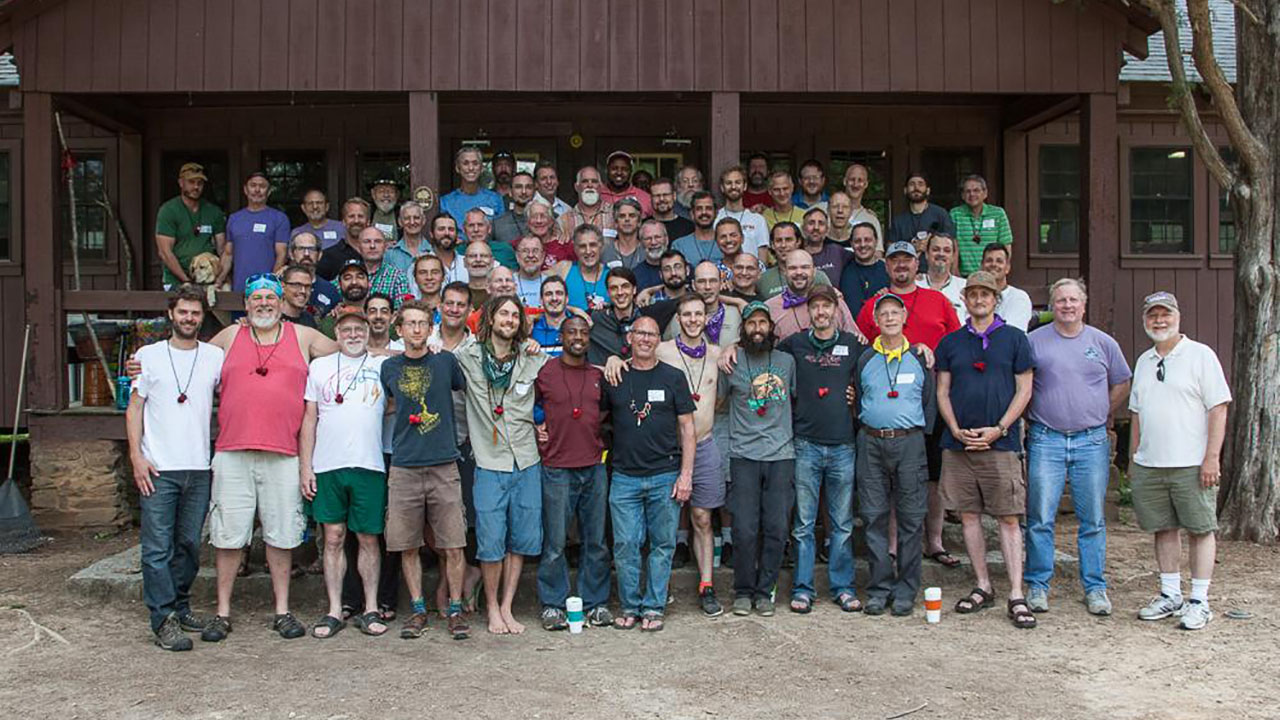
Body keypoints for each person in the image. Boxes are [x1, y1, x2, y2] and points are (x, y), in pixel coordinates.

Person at [148, 273, 338, 642]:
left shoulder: (302, 336)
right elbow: (186, 360)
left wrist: (395, 353)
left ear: (281, 302)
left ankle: (282, 611)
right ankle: (222, 612)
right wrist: (142, 365)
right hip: (232, 452)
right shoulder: (229, 337)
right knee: (228, 535)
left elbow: (350, 352)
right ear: (246, 305)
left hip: (283, 452)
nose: (264, 303)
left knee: (281, 535)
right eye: (257, 298)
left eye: (270, 297)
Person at [1024, 278, 1131, 617]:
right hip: (1046, 439)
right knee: (1040, 517)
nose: (1067, 305)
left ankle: (1095, 587)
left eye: (1073, 300)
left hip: (1091, 441)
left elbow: (1122, 382)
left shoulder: (1103, 343)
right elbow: (1022, 385)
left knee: (1093, 519)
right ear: (1051, 306)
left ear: (1083, 305)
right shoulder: (1033, 342)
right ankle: (1038, 585)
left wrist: (1101, 411)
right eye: (1061, 300)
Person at [935, 270, 1036, 629]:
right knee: (969, 515)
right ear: (964, 299)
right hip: (959, 443)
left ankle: (1016, 593)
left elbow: (1024, 389)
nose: (979, 300)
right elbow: (942, 390)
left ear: (996, 300)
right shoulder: (950, 342)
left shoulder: (1015, 339)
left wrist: (1000, 428)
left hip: (1001, 443)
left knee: (1008, 517)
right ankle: (983, 585)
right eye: (973, 294)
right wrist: (954, 429)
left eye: (986, 294)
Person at [127, 285, 226, 650]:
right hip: (159, 466)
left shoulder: (214, 356)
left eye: (195, 313)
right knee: (157, 547)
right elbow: (134, 408)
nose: (189, 318)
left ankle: (181, 606)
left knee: (188, 545)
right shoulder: (148, 356)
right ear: (171, 314)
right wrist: (137, 456)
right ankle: (163, 618)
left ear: (202, 317)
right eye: (183, 312)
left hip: (198, 466)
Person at [1129, 291, 1230, 631]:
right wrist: (1134, 458)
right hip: (1151, 464)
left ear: (1178, 317)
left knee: (1200, 529)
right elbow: (1137, 413)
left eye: (1165, 314)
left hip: (1191, 463)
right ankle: (1170, 594)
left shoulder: (1201, 355)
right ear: (1145, 320)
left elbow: (1218, 408)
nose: (1159, 321)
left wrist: (1211, 458)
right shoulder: (1144, 361)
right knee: (1163, 528)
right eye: (1152, 315)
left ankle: (1199, 601)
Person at [379, 300, 473, 640]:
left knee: (454, 544)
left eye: (422, 323)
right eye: (410, 323)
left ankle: (455, 609)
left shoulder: (446, 361)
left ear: (430, 328)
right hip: (405, 465)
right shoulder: (389, 368)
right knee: (407, 545)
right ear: (399, 329)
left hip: (444, 464)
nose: (417, 329)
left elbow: (465, 389)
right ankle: (418, 609)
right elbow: (389, 403)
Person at [455, 295, 549, 634]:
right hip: (489, 461)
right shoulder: (467, 356)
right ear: (491, 319)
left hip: (526, 460)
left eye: (515, 315)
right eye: (503, 314)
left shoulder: (532, 357)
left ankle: (508, 606)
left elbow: (559, 385)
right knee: (491, 541)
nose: (509, 320)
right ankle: (491, 607)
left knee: (521, 539)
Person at [299, 306, 390, 639]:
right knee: (333, 537)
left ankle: (371, 607)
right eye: (346, 330)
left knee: (368, 537)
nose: (353, 335)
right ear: (336, 334)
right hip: (327, 464)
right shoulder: (319, 366)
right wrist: (305, 467)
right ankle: (334, 609)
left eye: (359, 329)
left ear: (368, 332)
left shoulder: (382, 365)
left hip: (369, 463)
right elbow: (309, 419)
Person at [600, 316, 696, 631]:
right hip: (624, 476)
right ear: (629, 338)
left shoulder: (673, 377)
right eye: (639, 333)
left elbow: (688, 428)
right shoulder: (615, 376)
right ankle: (630, 607)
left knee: (663, 544)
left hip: (665, 475)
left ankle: (654, 607)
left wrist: (685, 475)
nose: (645, 339)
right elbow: (597, 418)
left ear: (658, 340)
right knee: (626, 544)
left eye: (651, 334)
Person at [777, 285, 860, 614]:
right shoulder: (794, 344)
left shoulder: (853, 345)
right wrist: (730, 350)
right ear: (808, 311)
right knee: (804, 524)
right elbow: (761, 354)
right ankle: (802, 588)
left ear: (836, 311)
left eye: (827, 306)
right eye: (815, 307)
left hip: (843, 445)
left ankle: (843, 587)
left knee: (842, 523)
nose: (821, 312)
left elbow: (874, 373)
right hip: (806, 444)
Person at [854, 293, 935, 616]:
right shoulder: (864, 359)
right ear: (875, 321)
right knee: (873, 516)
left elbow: (928, 399)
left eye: (894, 312)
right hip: (871, 442)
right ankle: (879, 588)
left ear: (904, 317)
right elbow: (857, 398)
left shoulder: (920, 357)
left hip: (909, 442)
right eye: (883, 313)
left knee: (911, 518)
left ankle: (906, 590)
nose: (889, 318)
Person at [533, 316, 614, 630]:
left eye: (583, 332)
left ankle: (595, 603)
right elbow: (526, 404)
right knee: (555, 542)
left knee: (596, 541)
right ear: (561, 336)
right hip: (556, 467)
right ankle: (553, 605)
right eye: (571, 332)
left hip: (593, 465)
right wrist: (537, 424)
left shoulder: (598, 375)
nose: (578, 337)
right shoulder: (545, 372)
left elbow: (607, 412)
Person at [719, 302, 796, 618]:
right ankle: (743, 591)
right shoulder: (731, 362)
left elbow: (795, 398)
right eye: (751, 323)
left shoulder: (787, 362)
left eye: (763, 322)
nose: (758, 329)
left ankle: (765, 592)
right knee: (744, 529)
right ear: (743, 329)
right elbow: (719, 401)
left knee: (777, 528)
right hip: (743, 455)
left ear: (771, 327)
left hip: (781, 455)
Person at [655, 294, 726, 617]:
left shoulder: (718, 354)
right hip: (668, 447)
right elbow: (630, 364)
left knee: (702, 517)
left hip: (705, 444)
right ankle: (661, 586)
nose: (693, 320)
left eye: (699, 314)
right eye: (687, 314)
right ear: (678, 319)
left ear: (706, 318)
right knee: (663, 520)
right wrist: (614, 360)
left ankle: (706, 585)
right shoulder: (662, 351)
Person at [587, 267, 678, 365]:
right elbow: (574, 319)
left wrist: (649, 291)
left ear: (634, 290)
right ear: (608, 293)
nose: (620, 292)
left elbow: (682, 300)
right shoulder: (596, 317)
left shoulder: (649, 315)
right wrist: (576, 310)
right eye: (614, 288)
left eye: (625, 286)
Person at [155, 162, 226, 288]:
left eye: (200, 183)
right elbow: (165, 252)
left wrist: (220, 279)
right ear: (181, 183)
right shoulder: (168, 210)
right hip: (176, 281)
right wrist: (186, 280)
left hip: (208, 281)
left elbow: (222, 250)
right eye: (191, 182)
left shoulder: (214, 212)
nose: (196, 187)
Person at [765, 250, 860, 341]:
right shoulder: (770, 308)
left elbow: (855, 339)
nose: (799, 272)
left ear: (814, 271)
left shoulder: (835, 302)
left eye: (805, 267)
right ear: (785, 272)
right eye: (792, 268)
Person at [225, 171, 290, 293]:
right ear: (245, 190)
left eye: (262, 186)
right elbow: (228, 254)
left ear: (269, 191)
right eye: (253, 185)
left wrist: (271, 284)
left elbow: (282, 254)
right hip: (239, 287)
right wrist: (219, 280)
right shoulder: (234, 218)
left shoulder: (279, 218)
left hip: (266, 290)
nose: (257, 190)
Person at [951, 174, 1013, 276]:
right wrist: (955, 271)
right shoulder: (955, 214)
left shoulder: (998, 214)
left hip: (991, 274)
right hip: (964, 275)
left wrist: (1003, 270)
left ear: (985, 193)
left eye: (976, 190)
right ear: (962, 195)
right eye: (968, 191)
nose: (972, 194)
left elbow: (1006, 245)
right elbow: (953, 245)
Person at [756, 222, 832, 299]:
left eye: (788, 240)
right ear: (772, 245)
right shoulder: (763, 279)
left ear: (798, 242)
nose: (783, 245)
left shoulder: (818, 276)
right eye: (779, 240)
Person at [888, 172, 955, 250]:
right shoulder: (898, 221)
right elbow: (890, 247)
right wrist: (912, 247)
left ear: (928, 190)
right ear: (905, 190)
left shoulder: (941, 214)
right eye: (912, 184)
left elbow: (952, 244)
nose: (916, 188)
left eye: (920, 184)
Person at [439, 146, 505, 223]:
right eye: (465, 163)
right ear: (457, 168)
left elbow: (501, 228)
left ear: (481, 168)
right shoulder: (446, 202)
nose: (471, 168)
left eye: (475, 163)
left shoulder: (495, 199)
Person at [714, 165, 768, 255]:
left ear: (745, 186)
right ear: (722, 188)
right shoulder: (715, 218)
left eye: (738, 182)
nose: (733, 186)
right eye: (729, 183)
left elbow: (763, 256)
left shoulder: (758, 220)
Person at [555, 224, 610, 312]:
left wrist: (610, 307)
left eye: (592, 245)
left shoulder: (611, 275)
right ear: (575, 248)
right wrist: (572, 309)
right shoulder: (563, 269)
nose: (588, 251)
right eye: (582, 246)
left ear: (601, 246)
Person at [980, 243, 1034, 331]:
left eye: (999, 261)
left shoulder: (1019, 297)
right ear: (982, 266)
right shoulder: (974, 297)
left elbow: (1009, 333)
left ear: (1007, 268)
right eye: (989, 260)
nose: (993, 264)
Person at [285, 232, 340, 317]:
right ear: (291, 254)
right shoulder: (279, 286)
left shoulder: (330, 290)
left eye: (311, 249)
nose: (306, 254)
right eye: (301, 248)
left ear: (320, 255)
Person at [838, 221, 890, 312]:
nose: (862, 245)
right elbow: (855, 314)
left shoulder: (887, 269)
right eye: (857, 241)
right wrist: (876, 301)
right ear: (851, 244)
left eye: (867, 240)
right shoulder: (848, 274)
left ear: (876, 241)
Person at [316, 198, 371, 281]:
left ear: (368, 221)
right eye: (351, 216)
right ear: (344, 222)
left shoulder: (376, 253)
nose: (356, 220)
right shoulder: (328, 256)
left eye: (360, 216)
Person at [918, 233, 968, 323]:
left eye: (947, 250)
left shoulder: (965, 286)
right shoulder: (915, 285)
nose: (941, 254)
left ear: (953, 257)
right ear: (926, 254)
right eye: (935, 249)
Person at [358, 226, 411, 307]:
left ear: (385, 247)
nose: (372, 246)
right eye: (367, 242)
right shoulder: (348, 274)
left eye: (377, 241)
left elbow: (402, 311)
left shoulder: (398, 278)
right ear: (359, 247)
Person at [557, 166, 614, 239]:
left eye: (594, 181)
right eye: (585, 181)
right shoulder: (564, 221)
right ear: (576, 187)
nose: (590, 185)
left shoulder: (614, 214)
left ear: (601, 187)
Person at [801, 207, 853, 285]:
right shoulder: (796, 256)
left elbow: (862, 259)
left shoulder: (836, 252)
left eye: (821, 223)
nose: (816, 227)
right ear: (803, 228)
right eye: (811, 223)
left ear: (827, 230)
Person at [672, 191, 721, 266]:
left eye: (708, 208)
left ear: (716, 213)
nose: (704, 212)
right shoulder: (679, 246)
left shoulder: (726, 242)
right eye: (699, 209)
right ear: (692, 214)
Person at [384, 201, 432, 276]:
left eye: (416, 218)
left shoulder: (432, 251)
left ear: (423, 220)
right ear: (400, 222)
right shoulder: (390, 254)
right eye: (407, 218)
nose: (412, 222)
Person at [600, 150, 653, 216]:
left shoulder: (646, 198)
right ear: (607, 170)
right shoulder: (597, 195)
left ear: (631, 172)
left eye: (624, 169)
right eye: (614, 168)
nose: (619, 173)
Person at [841, 163, 883, 241]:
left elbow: (878, 248)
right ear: (844, 181)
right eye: (852, 179)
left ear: (866, 184)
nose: (855, 184)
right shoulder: (825, 210)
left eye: (860, 180)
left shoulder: (871, 219)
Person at [531, 276, 571, 357]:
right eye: (548, 294)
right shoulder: (531, 329)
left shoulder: (578, 327)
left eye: (559, 293)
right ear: (541, 300)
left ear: (567, 299)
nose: (554, 298)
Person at [493, 171, 536, 247]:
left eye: (528, 187)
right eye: (518, 187)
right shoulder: (497, 224)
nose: (523, 191)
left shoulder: (545, 220)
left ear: (534, 192)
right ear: (510, 192)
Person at [527, 201, 575, 268]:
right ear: (528, 222)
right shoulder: (518, 246)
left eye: (543, 216)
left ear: (551, 221)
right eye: (534, 217)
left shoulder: (566, 246)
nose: (539, 221)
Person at [602, 197, 645, 269]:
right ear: (616, 222)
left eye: (632, 216)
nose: (627, 219)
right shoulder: (605, 252)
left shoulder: (646, 250)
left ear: (639, 222)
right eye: (622, 216)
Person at [428, 213, 469, 286]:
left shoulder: (467, 263)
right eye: (441, 229)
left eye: (451, 229)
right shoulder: (420, 265)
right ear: (431, 234)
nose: (446, 233)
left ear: (457, 234)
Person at [632, 219, 670, 291]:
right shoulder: (635, 275)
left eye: (658, 237)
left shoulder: (681, 269)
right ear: (641, 243)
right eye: (648, 238)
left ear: (667, 239)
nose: (653, 242)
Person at [513, 235, 548, 307]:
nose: (530, 255)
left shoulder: (551, 283)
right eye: (525, 251)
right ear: (517, 256)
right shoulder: (508, 284)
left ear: (543, 256)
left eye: (535, 251)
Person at [367, 171, 401, 243]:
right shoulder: (367, 213)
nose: (386, 195)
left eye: (391, 191)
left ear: (397, 194)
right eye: (381, 191)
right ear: (373, 194)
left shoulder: (402, 214)